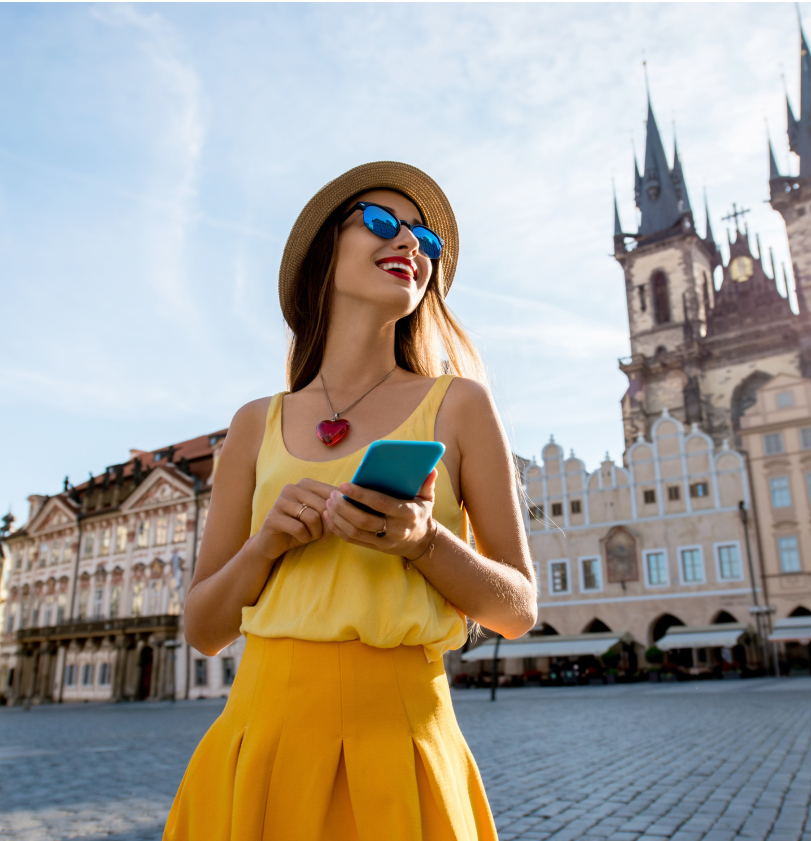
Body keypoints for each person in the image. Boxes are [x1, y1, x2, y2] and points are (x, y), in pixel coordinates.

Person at [165, 162, 536, 840]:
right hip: (260, 741)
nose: (412, 244)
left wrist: (424, 542)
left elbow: (517, 607)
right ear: (322, 251)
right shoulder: (253, 423)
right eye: (382, 222)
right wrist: (265, 545)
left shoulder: (460, 405)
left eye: (426, 239)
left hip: (404, 742)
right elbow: (203, 628)